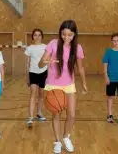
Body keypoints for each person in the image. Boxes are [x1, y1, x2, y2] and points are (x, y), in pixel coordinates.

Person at [39, 20, 87, 154]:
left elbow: (81, 68)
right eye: (63, 34)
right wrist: (47, 61)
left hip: (69, 84)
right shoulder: (53, 44)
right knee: (56, 113)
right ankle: (57, 141)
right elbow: (40, 64)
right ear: (60, 33)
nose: (66, 38)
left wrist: (83, 83)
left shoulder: (77, 48)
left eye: (70, 35)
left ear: (74, 35)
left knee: (71, 114)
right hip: (53, 85)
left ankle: (66, 137)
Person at [102, 32, 118, 124]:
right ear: (111, 42)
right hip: (111, 79)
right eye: (114, 41)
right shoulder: (108, 52)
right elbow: (105, 65)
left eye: (117, 40)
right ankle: (109, 114)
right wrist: (106, 77)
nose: (116, 42)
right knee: (110, 97)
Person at [24, 28, 47, 128]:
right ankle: (30, 117)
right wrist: (27, 77)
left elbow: (48, 61)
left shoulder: (46, 47)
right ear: (32, 37)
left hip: (44, 73)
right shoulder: (29, 48)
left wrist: (50, 74)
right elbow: (27, 63)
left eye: (39, 35)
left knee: (41, 94)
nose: (37, 37)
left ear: (42, 36)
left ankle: (39, 113)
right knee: (33, 93)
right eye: (35, 35)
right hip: (33, 73)